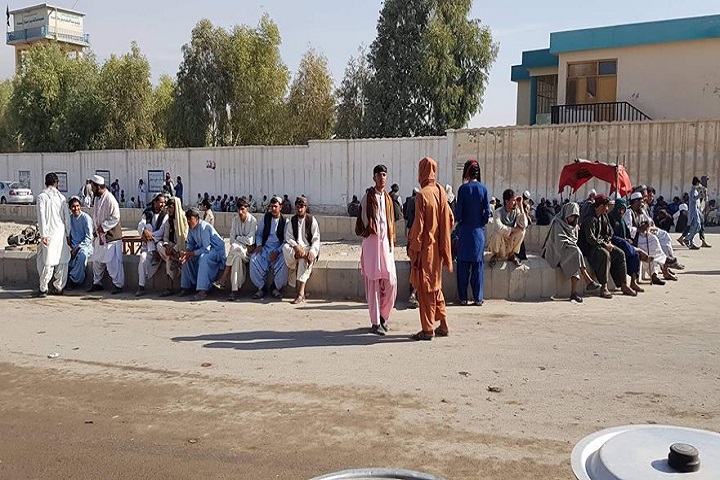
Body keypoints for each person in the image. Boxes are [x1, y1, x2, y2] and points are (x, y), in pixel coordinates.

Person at [407, 157, 454, 340]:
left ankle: (428, 330)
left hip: (426, 251)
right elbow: (450, 219)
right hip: (438, 250)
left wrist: (413, 249)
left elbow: (418, 228)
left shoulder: (422, 195)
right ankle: (444, 325)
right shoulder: (441, 191)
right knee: (436, 287)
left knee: (425, 290)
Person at [357, 164, 397, 336]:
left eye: (384, 175)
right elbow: (364, 221)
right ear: (374, 178)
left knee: (391, 282)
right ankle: (375, 322)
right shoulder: (368, 197)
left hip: (386, 245)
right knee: (372, 284)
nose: (382, 178)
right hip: (372, 244)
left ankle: (383, 315)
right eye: (379, 175)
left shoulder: (388, 199)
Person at [578, 194, 636, 299]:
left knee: (620, 254)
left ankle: (623, 285)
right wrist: (604, 245)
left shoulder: (604, 216)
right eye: (606, 206)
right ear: (601, 206)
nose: (608, 209)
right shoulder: (590, 218)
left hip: (601, 244)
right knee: (604, 255)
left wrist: (607, 242)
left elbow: (608, 233)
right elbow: (590, 239)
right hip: (590, 248)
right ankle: (604, 287)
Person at [543, 202, 601, 302]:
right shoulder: (557, 223)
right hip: (556, 250)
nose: (572, 219)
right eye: (571, 216)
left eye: (574, 217)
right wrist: (571, 245)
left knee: (574, 258)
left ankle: (574, 292)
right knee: (576, 252)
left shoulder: (573, 225)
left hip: (569, 250)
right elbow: (559, 240)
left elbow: (574, 239)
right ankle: (587, 279)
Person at [455, 159, 491, 307]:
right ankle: (478, 298)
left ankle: (463, 298)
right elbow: (487, 212)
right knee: (478, 267)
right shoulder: (484, 189)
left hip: (465, 232)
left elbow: (458, 214)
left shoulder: (463, 189)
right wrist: (480, 223)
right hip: (478, 233)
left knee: (463, 266)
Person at [213, 198, 258, 301]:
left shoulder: (253, 221)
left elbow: (250, 240)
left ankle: (224, 277)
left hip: (248, 253)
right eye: (238, 209)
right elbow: (231, 239)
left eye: (242, 209)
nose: (240, 212)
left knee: (234, 248)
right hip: (238, 252)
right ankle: (234, 291)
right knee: (236, 258)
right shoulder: (235, 220)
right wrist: (241, 241)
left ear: (247, 209)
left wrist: (238, 238)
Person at [179, 208, 226, 301]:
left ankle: (202, 290)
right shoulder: (191, 228)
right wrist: (187, 252)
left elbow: (206, 248)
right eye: (187, 219)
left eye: (190, 219)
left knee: (203, 258)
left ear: (196, 218)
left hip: (216, 250)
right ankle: (186, 287)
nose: (188, 221)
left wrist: (192, 253)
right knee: (185, 258)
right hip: (204, 249)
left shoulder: (204, 227)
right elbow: (191, 243)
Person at [87, 175, 124, 294]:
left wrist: (103, 227)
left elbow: (115, 217)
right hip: (100, 236)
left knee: (112, 263)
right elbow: (96, 215)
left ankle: (118, 285)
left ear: (98, 187)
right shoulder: (97, 198)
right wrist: (96, 229)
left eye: (93, 187)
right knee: (97, 261)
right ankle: (97, 283)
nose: (92, 189)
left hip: (111, 237)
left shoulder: (110, 199)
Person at [35, 172, 71, 297]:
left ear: (45, 183)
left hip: (49, 234)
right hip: (60, 233)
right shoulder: (62, 198)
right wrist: (68, 233)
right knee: (62, 261)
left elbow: (41, 217)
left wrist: (43, 235)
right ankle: (59, 287)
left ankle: (43, 288)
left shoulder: (41, 197)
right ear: (57, 183)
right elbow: (67, 218)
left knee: (48, 261)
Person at [282, 196, 321, 304]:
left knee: (305, 258)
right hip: (296, 250)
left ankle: (301, 293)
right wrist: (295, 246)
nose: (299, 209)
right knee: (285, 248)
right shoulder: (292, 220)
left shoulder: (311, 220)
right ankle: (300, 256)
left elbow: (316, 239)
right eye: (298, 207)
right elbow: (289, 237)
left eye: (302, 207)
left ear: (305, 207)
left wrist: (312, 252)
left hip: (308, 248)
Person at [250, 196, 288, 299]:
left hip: (278, 249)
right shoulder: (265, 218)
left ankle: (275, 288)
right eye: (272, 207)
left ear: (280, 207)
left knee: (285, 261)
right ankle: (261, 287)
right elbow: (259, 234)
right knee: (253, 259)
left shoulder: (285, 221)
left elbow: (286, 241)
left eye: (276, 207)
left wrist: (277, 252)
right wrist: (259, 245)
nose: (273, 209)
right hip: (265, 248)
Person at [607, 198, 645, 293]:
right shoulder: (610, 218)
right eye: (619, 209)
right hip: (614, 242)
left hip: (623, 243)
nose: (621, 212)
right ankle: (624, 285)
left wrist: (628, 239)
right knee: (623, 252)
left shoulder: (622, 221)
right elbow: (611, 235)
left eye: (623, 209)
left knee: (635, 256)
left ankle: (633, 282)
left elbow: (628, 235)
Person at [135, 193, 168, 297]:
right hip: (149, 248)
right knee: (143, 259)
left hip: (159, 246)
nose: (163, 205)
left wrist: (149, 235)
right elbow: (140, 225)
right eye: (161, 202)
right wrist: (144, 232)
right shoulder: (147, 213)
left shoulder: (165, 215)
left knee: (149, 229)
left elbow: (161, 232)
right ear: (155, 203)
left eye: (164, 202)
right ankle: (141, 287)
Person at [486, 189, 529, 268]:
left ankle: (511, 254)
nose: (515, 203)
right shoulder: (498, 212)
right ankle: (495, 255)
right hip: (500, 240)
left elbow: (525, 224)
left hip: (509, 240)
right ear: (506, 201)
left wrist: (521, 207)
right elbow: (499, 228)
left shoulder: (516, 211)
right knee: (497, 232)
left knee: (522, 231)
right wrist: (513, 229)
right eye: (513, 201)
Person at [157, 197, 189, 297]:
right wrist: (167, 245)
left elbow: (185, 237)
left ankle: (170, 287)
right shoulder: (169, 220)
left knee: (168, 260)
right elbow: (166, 236)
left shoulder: (184, 218)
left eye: (170, 207)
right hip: (172, 248)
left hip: (182, 247)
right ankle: (175, 258)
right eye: (168, 208)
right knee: (159, 245)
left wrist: (174, 249)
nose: (169, 210)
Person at [66, 196, 93, 289]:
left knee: (82, 256)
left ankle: (73, 279)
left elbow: (89, 238)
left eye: (77, 206)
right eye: (73, 207)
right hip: (73, 246)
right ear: (70, 208)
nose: (76, 208)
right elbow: (68, 235)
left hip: (84, 246)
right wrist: (69, 247)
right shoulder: (69, 219)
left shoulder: (86, 218)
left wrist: (77, 248)